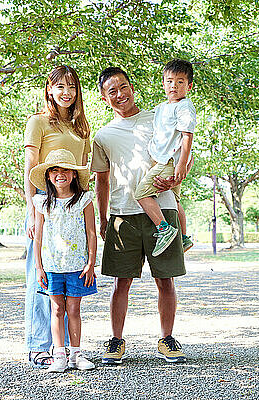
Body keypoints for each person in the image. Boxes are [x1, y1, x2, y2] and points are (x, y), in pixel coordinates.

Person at [91, 66, 187, 364]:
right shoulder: (103, 135)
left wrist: (177, 178)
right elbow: (102, 180)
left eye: (123, 87)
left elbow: (184, 145)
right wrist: (103, 217)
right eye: (112, 91)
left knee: (166, 280)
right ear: (104, 98)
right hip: (123, 214)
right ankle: (116, 341)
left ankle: (167, 339)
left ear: (132, 87)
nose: (120, 94)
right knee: (121, 282)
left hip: (162, 208)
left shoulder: (158, 118)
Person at [24, 65, 91, 368]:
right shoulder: (37, 122)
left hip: (73, 210)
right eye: (60, 86)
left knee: (70, 284)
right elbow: (31, 168)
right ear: (49, 89)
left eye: (73, 87)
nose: (67, 93)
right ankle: (40, 345)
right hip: (46, 208)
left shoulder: (81, 129)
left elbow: (83, 172)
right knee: (43, 281)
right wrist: (30, 210)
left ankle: (66, 350)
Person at [30, 148, 97, 373]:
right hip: (51, 266)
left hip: (77, 266)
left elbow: (91, 233)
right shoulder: (42, 203)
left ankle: (76, 354)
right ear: (48, 176)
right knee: (56, 309)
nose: (61, 174)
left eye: (66, 170)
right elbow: (38, 237)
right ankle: (59, 354)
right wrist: (39, 267)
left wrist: (91, 262)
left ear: (74, 174)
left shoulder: (84, 200)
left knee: (74, 309)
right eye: (55, 171)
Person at [134, 59, 196, 256]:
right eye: (169, 81)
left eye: (180, 82)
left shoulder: (184, 107)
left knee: (142, 193)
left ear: (189, 86)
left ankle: (164, 228)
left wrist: (181, 165)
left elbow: (187, 137)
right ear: (163, 83)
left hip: (169, 161)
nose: (174, 86)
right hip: (161, 158)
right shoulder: (161, 108)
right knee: (175, 201)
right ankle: (184, 238)